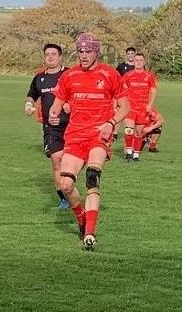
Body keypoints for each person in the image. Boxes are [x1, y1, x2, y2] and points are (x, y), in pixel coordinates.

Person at [48, 32, 130, 250]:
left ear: (97, 51)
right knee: (65, 184)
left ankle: (89, 234)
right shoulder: (69, 76)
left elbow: (125, 106)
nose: (84, 56)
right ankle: (81, 216)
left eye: (88, 51)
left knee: (92, 176)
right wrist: (53, 113)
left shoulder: (110, 74)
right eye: (81, 51)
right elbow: (57, 103)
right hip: (75, 136)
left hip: (98, 136)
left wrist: (111, 123)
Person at [25, 43, 70, 210]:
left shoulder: (69, 74)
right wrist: (28, 105)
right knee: (57, 160)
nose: (50, 57)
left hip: (73, 126)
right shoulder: (39, 78)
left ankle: (70, 186)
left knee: (71, 162)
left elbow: (78, 96)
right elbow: (31, 96)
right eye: (47, 54)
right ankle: (64, 197)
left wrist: (69, 107)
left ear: (60, 57)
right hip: (50, 128)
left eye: (54, 54)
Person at [121, 53, 157, 161]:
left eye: (141, 60)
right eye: (136, 60)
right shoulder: (128, 75)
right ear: (134, 62)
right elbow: (123, 90)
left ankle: (136, 155)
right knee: (128, 130)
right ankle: (128, 152)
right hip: (130, 108)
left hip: (142, 109)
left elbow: (153, 90)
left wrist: (150, 104)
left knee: (138, 133)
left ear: (144, 62)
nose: (139, 62)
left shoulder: (149, 76)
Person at [113, 47, 136, 140]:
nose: (130, 55)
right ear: (126, 55)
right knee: (120, 112)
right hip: (123, 94)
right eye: (129, 54)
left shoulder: (138, 66)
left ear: (135, 54)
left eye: (132, 53)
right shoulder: (121, 66)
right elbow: (115, 78)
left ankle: (134, 133)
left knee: (134, 114)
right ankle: (115, 133)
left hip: (135, 95)